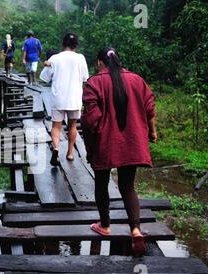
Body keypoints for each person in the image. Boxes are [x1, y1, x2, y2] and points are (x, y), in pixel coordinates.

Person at [81, 47, 158, 256]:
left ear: (99, 63)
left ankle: (105, 225)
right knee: (128, 186)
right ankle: (135, 230)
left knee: (101, 183)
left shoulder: (94, 83)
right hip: (131, 141)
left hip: (106, 142)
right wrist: (152, 132)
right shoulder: (137, 80)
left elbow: (90, 120)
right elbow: (150, 108)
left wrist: (91, 144)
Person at [43, 33, 89, 165]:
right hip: (74, 98)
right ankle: (69, 153)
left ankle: (56, 148)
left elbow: (45, 78)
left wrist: (48, 64)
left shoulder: (55, 58)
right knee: (72, 125)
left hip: (59, 98)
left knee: (56, 126)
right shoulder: (81, 58)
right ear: (76, 45)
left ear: (63, 44)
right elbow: (85, 79)